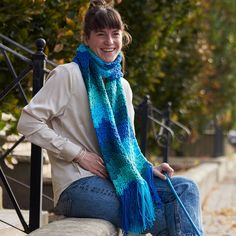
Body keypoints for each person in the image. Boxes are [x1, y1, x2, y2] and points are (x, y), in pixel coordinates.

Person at [17, 1, 204, 235]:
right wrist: (78, 154)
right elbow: (27, 122)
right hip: (77, 186)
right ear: (87, 38)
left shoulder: (122, 87)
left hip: (117, 178)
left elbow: (127, 146)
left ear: (122, 37)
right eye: (100, 34)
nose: (109, 41)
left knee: (186, 188)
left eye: (115, 34)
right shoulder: (68, 75)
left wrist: (147, 168)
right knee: (165, 216)